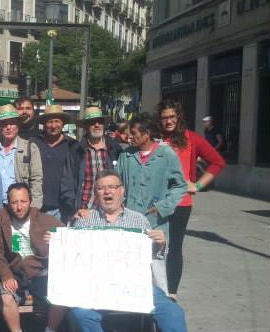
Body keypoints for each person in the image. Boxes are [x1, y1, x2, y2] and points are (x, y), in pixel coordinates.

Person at [69, 170, 187, 332]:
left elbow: (151, 258)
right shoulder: (84, 222)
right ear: (95, 194)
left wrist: (160, 244)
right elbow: (72, 256)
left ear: (122, 191)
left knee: (173, 312)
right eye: (101, 188)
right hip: (96, 286)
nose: (107, 192)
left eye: (113, 187)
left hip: (136, 285)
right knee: (81, 314)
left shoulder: (139, 220)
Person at [157, 100, 226, 300]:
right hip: (155, 203)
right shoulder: (155, 138)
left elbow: (217, 162)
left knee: (174, 247)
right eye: (164, 117)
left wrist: (196, 185)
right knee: (154, 245)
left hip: (180, 203)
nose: (169, 121)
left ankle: (171, 293)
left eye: (172, 117)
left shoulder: (191, 138)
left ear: (178, 117)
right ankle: (153, 288)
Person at [0, 183, 66, 332]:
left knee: (62, 292)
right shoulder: (1, 218)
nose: (19, 207)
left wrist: (56, 240)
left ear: (30, 201)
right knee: (6, 298)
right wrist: (5, 275)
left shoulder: (45, 220)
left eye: (23, 201)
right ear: (8, 203)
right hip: (14, 273)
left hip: (40, 273)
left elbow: (69, 237)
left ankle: (50, 329)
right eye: (14, 202)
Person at [116, 112, 187, 237]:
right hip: (127, 221)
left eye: (134, 133)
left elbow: (180, 186)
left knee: (154, 255)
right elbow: (116, 183)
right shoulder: (125, 155)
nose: (129, 137)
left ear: (147, 134)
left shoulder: (166, 155)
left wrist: (163, 207)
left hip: (155, 223)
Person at [60, 106, 122, 223]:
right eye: (92, 122)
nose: (97, 125)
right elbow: (67, 184)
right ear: (85, 126)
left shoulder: (115, 150)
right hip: (84, 212)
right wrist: (75, 209)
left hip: (111, 212)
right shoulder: (76, 151)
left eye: (100, 122)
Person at [0, 104, 43, 209]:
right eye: (4, 124)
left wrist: (34, 207)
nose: (8, 127)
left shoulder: (30, 148)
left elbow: (36, 179)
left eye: (12, 123)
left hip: (20, 206)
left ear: (18, 125)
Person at [29, 104, 77, 220]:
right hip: (36, 207)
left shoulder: (72, 145)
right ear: (44, 124)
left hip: (63, 208)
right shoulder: (33, 143)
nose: (53, 125)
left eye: (57, 121)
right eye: (49, 122)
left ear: (63, 123)